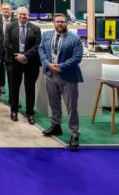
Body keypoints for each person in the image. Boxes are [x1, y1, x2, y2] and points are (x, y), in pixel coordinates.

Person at [39, 13, 83, 149]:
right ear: (54, 23)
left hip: (68, 76)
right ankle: (56, 126)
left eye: (63, 22)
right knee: (54, 103)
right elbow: (41, 50)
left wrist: (60, 67)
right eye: (57, 22)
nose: (60, 24)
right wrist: (47, 64)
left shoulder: (75, 39)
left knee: (71, 107)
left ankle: (74, 133)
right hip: (50, 75)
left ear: (67, 23)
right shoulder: (46, 35)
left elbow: (77, 58)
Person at [5, 6, 42, 124]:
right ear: (16, 15)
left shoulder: (35, 28)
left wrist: (25, 56)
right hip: (14, 61)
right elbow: (6, 43)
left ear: (28, 15)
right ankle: (14, 110)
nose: (22, 16)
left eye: (24, 14)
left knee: (30, 88)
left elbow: (37, 45)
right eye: (20, 14)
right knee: (13, 87)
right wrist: (17, 56)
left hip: (30, 62)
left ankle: (30, 113)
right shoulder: (10, 26)